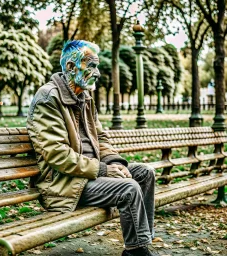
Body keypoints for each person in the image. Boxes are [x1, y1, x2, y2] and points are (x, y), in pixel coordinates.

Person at [27, 40, 157, 256]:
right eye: (92, 66)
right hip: (65, 183)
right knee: (129, 188)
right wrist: (104, 170)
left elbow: (102, 138)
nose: (97, 73)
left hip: (91, 174)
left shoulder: (85, 97)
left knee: (145, 173)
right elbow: (57, 154)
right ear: (70, 67)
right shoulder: (48, 97)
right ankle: (137, 251)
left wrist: (114, 163)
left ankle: (140, 244)